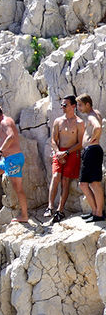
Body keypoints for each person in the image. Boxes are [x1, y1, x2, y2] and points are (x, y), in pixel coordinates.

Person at [0, 105, 29, 223]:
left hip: (13, 159)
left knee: (18, 188)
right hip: (8, 160)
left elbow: (11, 136)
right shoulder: (4, 122)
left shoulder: (5, 122)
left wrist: (0, 152)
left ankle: (24, 215)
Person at [45, 95, 83, 221]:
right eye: (62, 105)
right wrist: (57, 152)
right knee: (55, 177)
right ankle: (50, 207)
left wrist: (65, 153)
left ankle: (60, 210)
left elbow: (80, 143)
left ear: (73, 106)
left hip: (71, 153)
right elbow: (53, 139)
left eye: (65, 105)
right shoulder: (58, 121)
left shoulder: (79, 122)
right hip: (59, 152)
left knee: (65, 181)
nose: (62, 107)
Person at [78, 94, 103, 222]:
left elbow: (98, 127)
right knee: (85, 184)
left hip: (92, 151)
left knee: (94, 184)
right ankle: (95, 211)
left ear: (88, 104)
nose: (79, 108)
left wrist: (91, 139)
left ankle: (98, 213)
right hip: (93, 151)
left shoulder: (91, 116)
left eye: (81, 105)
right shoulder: (96, 112)